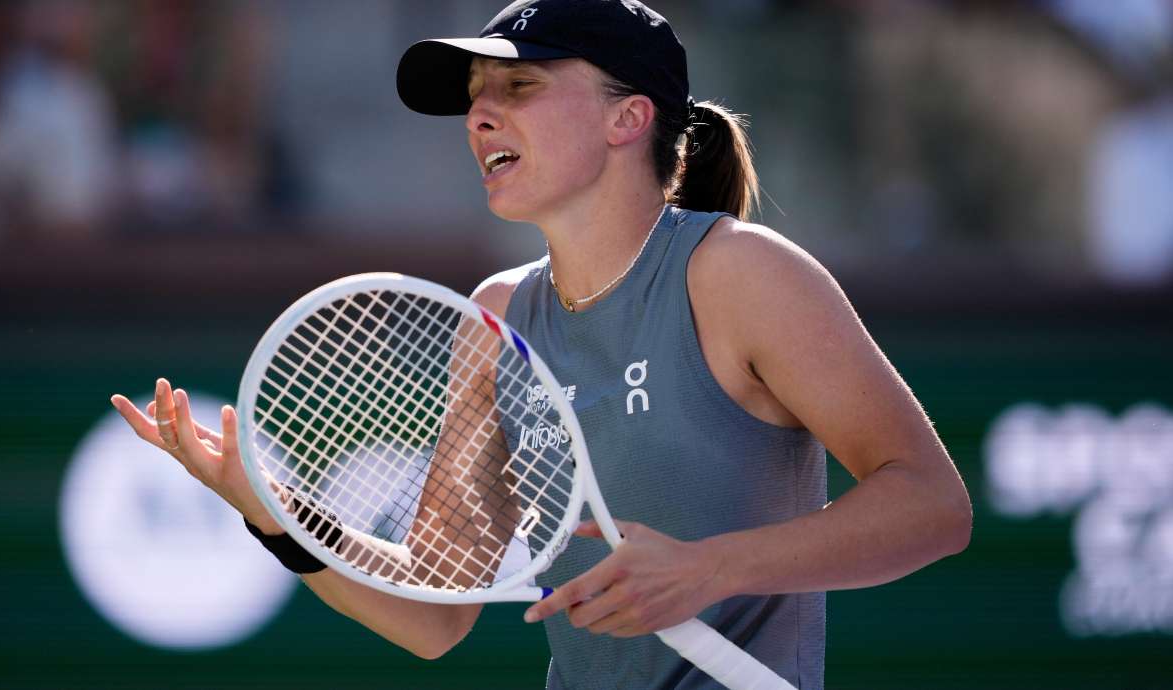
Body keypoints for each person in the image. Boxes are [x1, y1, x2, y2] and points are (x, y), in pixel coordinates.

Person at [111, 1, 972, 688]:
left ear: (627, 117)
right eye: (476, 96)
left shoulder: (738, 273)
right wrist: (274, 512)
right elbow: (434, 613)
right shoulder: (496, 317)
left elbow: (933, 506)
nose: (478, 115)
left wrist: (706, 570)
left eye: (517, 87)